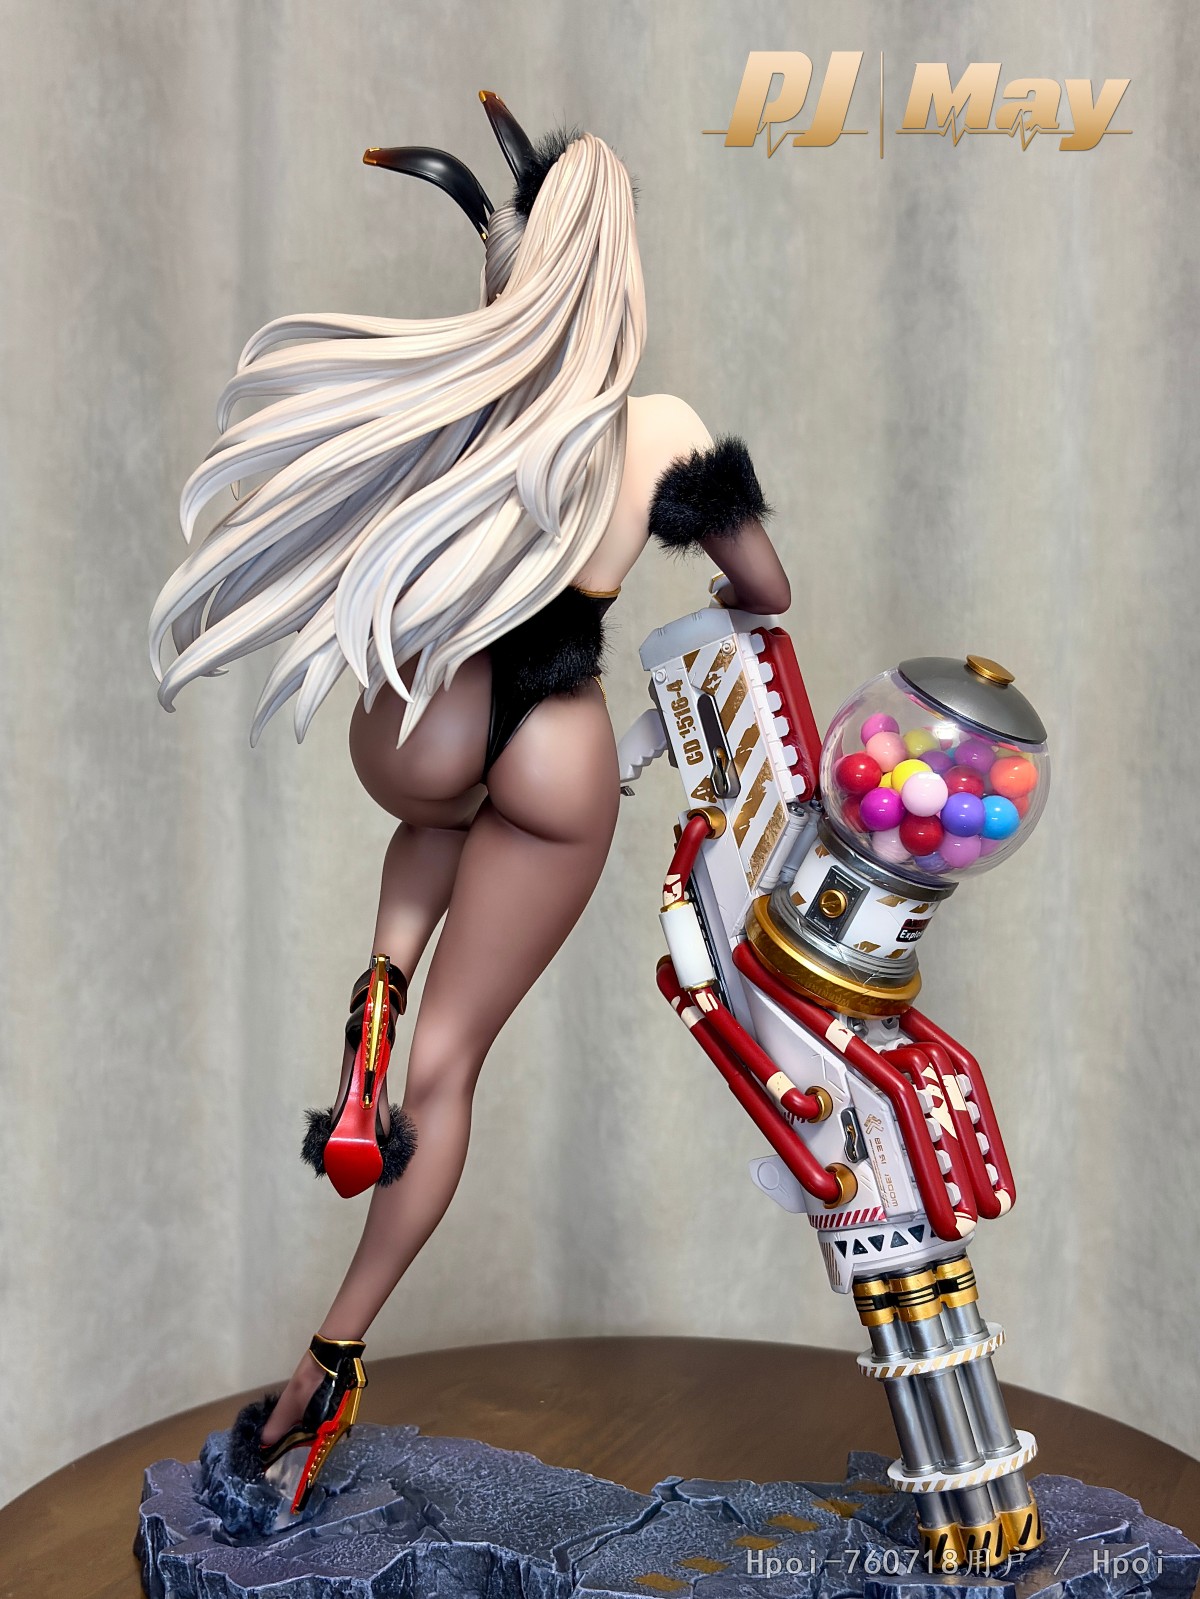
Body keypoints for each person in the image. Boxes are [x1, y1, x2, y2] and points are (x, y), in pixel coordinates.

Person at [149, 92, 790, 1511]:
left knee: (433, 820)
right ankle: (332, 1358)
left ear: (527, 266)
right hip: (557, 741)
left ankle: (379, 983)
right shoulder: (661, 429)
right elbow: (767, 589)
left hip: (426, 723)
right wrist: (713, 601)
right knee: (449, 1078)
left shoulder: (461, 400)